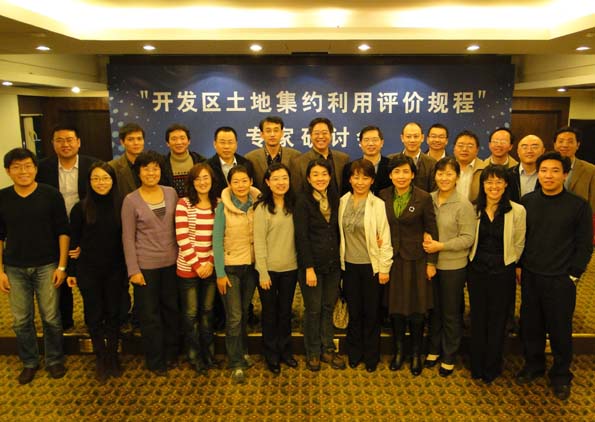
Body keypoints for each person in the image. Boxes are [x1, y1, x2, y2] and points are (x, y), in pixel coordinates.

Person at [517, 151, 593, 401]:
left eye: (555, 171)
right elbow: (521, 238)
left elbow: (585, 245)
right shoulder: (527, 202)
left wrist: (574, 274)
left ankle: (561, 375)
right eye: (544, 170)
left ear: (565, 174)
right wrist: (520, 266)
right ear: (538, 173)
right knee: (531, 325)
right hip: (531, 276)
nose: (548, 175)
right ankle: (534, 365)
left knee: (560, 329)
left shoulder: (578, 206)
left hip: (561, 279)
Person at [0, 148, 70, 385]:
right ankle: (29, 362)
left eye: (28, 166)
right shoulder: (2, 197)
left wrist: (62, 266)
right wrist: (0, 271)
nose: (23, 171)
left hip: (47, 265)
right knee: (21, 320)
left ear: (35, 168)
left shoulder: (51, 195)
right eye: (17, 167)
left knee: (51, 316)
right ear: (8, 171)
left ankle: (54, 359)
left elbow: (63, 231)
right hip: (14, 267)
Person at [121, 151, 180, 376]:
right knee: (150, 315)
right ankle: (155, 360)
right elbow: (127, 238)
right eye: (146, 169)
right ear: (138, 172)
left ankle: (172, 354)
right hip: (145, 267)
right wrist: (133, 270)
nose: (151, 173)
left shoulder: (171, 193)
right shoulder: (131, 200)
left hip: (172, 263)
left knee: (171, 311)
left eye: (155, 168)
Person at [379, 154, 438, 376]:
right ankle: (399, 352)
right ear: (390, 175)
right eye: (396, 172)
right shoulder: (382, 195)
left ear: (413, 174)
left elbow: (431, 230)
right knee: (396, 309)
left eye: (406, 171)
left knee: (416, 310)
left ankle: (415, 355)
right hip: (392, 260)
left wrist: (431, 262)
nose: (401, 176)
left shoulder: (423, 197)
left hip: (416, 260)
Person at [66, 161, 125, 383]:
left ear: (113, 181)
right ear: (89, 182)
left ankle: (113, 355)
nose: (101, 183)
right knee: (94, 314)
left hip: (116, 269)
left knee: (114, 313)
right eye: (96, 179)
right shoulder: (80, 208)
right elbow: (74, 242)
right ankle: (100, 357)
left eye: (105, 178)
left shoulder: (123, 205)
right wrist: (71, 271)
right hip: (88, 270)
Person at [467, 165, 526, 384]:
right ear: (482, 185)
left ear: (506, 184)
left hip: (503, 270)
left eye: (498, 182)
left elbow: (519, 243)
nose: (494, 186)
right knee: (478, 316)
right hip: (477, 270)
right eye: (489, 182)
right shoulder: (473, 209)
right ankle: (477, 363)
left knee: (498, 319)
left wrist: (510, 263)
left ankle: (492, 365)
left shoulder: (517, 210)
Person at [37, 124, 97, 331]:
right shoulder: (42, 168)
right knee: (59, 274)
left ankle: (93, 320)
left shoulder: (93, 165)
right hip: (54, 229)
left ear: (78, 142)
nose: (65, 144)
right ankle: (65, 322)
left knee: (89, 277)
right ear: (53, 143)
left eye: (69, 140)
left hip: (86, 228)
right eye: (60, 140)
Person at [423, 157, 475, 377]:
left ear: (457, 177)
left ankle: (449, 354)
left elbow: (468, 238)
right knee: (433, 310)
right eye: (440, 173)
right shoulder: (428, 199)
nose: (444, 178)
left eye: (449, 174)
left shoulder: (463, 204)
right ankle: (434, 349)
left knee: (451, 312)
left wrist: (441, 246)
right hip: (429, 265)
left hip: (453, 266)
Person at [338, 159, 392, 372]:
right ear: (350, 179)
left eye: (365, 178)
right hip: (348, 266)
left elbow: (384, 239)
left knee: (371, 313)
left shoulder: (377, 204)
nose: (360, 182)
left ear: (372, 180)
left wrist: (384, 268)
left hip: (372, 267)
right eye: (356, 177)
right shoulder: (342, 201)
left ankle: (371, 356)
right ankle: (354, 353)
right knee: (354, 312)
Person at [294, 158, 346, 372]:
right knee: (313, 309)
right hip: (311, 266)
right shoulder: (302, 201)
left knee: (327, 307)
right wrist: (308, 268)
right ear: (308, 178)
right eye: (315, 174)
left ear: (330, 176)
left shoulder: (335, 197)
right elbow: (301, 237)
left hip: (333, 264)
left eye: (324, 174)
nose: (320, 178)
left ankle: (328, 348)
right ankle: (313, 351)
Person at [213, 165, 260, 384]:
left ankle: (243, 352)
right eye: (236, 181)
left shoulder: (258, 203)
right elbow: (216, 241)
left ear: (251, 181)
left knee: (243, 312)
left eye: (244, 181)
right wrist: (220, 273)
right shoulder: (223, 207)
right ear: (229, 184)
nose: (240, 185)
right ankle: (236, 363)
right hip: (230, 268)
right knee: (234, 317)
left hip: (250, 267)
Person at [253, 163, 299, 375]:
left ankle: (285, 351)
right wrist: (262, 272)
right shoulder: (262, 208)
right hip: (268, 271)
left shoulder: (295, 204)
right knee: (270, 313)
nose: (281, 183)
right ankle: (271, 354)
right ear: (268, 182)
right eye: (276, 179)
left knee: (285, 312)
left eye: (284, 178)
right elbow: (259, 242)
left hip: (291, 268)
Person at [175, 163, 218, 375]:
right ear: (192, 183)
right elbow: (182, 238)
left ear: (212, 180)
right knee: (191, 314)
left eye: (206, 178)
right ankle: (194, 356)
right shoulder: (184, 204)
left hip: (210, 268)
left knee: (208, 313)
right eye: (198, 179)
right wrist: (197, 265)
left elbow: (219, 237)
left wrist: (209, 262)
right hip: (188, 269)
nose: (202, 182)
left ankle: (209, 354)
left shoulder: (218, 204)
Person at [290, 117, 350, 194]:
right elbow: (296, 193)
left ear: (331, 135)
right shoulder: (298, 163)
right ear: (310, 136)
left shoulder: (343, 159)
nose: (321, 136)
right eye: (316, 133)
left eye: (324, 133)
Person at [245, 116, 301, 191]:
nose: (272, 134)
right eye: (268, 131)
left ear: (282, 133)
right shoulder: (250, 158)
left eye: (276, 130)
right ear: (262, 134)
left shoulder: (296, 156)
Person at [553, 126, 595, 212]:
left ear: (578, 145)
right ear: (554, 145)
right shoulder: (545, 168)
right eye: (561, 141)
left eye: (570, 142)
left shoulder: (590, 170)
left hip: (579, 215)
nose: (565, 145)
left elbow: (593, 201)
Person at [341, 125, 391, 195]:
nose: (370, 144)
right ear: (360, 143)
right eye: (366, 140)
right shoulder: (349, 167)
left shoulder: (391, 166)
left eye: (375, 140)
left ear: (382, 143)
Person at [207, 126, 254, 199]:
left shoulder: (246, 164)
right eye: (222, 142)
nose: (226, 146)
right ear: (215, 144)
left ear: (236, 144)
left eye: (230, 142)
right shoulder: (207, 166)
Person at [388, 122, 436, 192]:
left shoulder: (431, 163)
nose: (412, 140)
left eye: (416, 136)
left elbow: (434, 191)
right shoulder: (390, 159)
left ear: (422, 138)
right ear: (402, 138)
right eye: (408, 136)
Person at [161, 123, 206, 197]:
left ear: (189, 141)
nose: (179, 142)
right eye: (174, 139)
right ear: (167, 143)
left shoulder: (201, 161)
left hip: (197, 202)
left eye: (182, 138)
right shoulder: (161, 164)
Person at [109, 122, 145, 204]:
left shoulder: (153, 165)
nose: (136, 143)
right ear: (122, 142)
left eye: (139, 139)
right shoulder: (112, 167)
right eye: (130, 139)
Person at [507, 134, 545, 203]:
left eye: (534, 147)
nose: (529, 151)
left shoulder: (547, 175)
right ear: (518, 151)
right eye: (524, 147)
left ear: (543, 151)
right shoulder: (507, 174)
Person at [453, 130, 487, 202]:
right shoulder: (446, 167)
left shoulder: (485, 170)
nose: (464, 149)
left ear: (477, 150)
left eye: (470, 146)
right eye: (460, 145)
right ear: (454, 148)